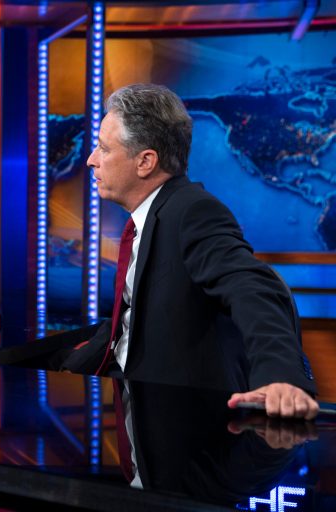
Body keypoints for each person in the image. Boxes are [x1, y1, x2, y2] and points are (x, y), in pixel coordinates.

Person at [60, 84, 318, 419]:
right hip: (126, 403)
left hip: (174, 422)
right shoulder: (151, 216)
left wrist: (281, 377)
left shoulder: (193, 212)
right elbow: (131, 322)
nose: (91, 160)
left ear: (145, 162)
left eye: (103, 149)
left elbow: (252, 289)